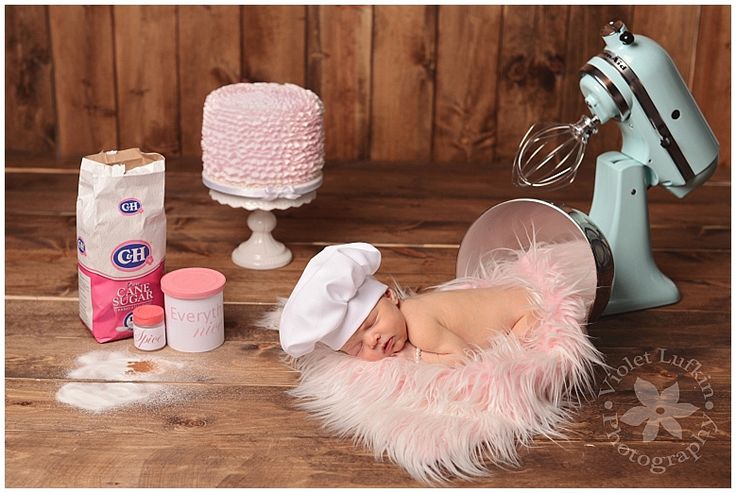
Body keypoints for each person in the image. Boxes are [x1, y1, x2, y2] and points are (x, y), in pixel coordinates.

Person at [278, 243, 537, 366]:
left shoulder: (419, 324)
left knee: (523, 351)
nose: (373, 340)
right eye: (357, 347)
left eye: (371, 323)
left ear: (391, 296)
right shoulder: (408, 312)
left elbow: (464, 358)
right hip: (517, 297)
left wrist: (414, 356)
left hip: (527, 313)